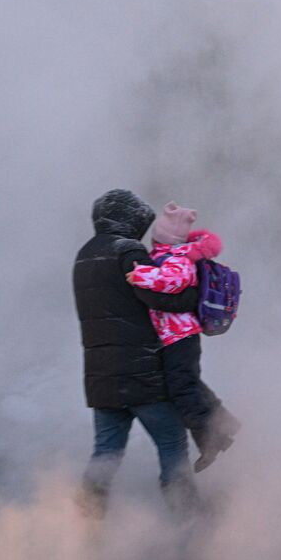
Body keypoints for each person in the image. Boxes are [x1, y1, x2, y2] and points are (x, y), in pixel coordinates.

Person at [73, 188, 203, 516]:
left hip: (101, 378)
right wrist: (195, 297)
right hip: (141, 373)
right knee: (173, 445)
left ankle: (86, 519)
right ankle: (188, 520)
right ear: (127, 220)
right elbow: (158, 296)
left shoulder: (84, 255)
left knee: (106, 454)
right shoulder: (127, 250)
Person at [125, 201, 242, 473]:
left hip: (180, 336)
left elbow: (172, 282)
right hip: (176, 337)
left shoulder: (178, 257)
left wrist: (140, 274)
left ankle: (211, 441)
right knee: (188, 383)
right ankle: (224, 422)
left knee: (182, 389)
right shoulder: (170, 254)